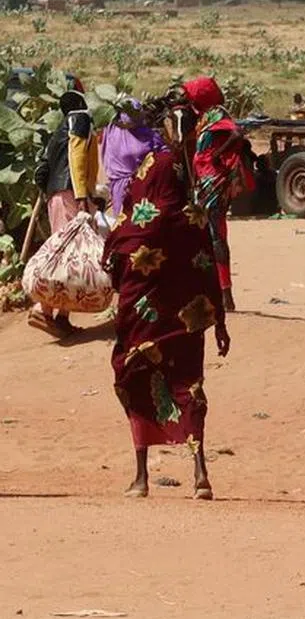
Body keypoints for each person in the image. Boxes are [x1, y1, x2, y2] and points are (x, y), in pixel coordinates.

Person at [101, 145, 230, 499]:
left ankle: (141, 477)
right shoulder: (194, 218)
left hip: (141, 326)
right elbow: (209, 271)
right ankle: (200, 472)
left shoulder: (133, 224)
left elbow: (113, 272)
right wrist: (219, 322)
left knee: (137, 382)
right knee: (188, 385)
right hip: (184, 324)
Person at [28, 91, 99, 339]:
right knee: (67, 255)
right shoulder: (80, 119)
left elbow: (45, 165)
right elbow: (77, 156)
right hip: (70, 192)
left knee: (67, 254)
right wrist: (82, 196)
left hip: (56, 194)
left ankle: (62, 316)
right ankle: (43, 309)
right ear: (81, 103)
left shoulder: (60, 128)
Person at [194, 107, 254, 311]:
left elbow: (236, 135)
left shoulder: (216, 124)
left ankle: (225, 294)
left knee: (214, 238)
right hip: (210, 184)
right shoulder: (209, 125)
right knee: (214, 237)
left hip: (213, 186)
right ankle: (221, 292)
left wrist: (217, 153)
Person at [101, 100, 167, 219]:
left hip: (145, 186)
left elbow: (164, 156)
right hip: (121, 189)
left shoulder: (150, 135)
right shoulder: (111, 130)